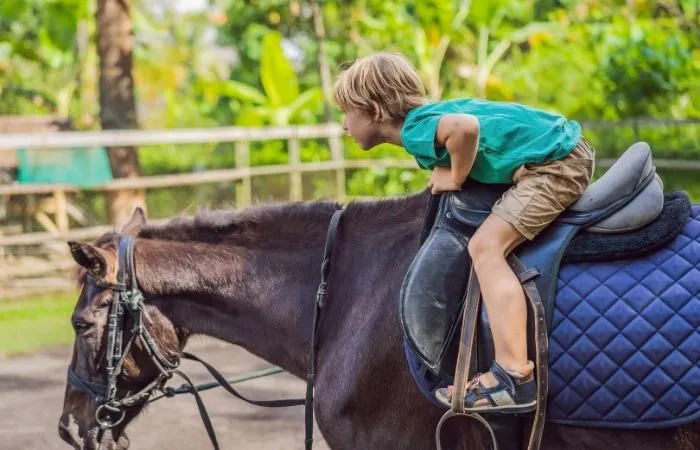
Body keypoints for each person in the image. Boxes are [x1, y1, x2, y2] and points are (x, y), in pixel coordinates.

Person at [332, 52, 594, 413]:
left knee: (486, 249)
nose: (344, 126)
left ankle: (514, 376)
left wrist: (455, 176)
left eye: (347, 113)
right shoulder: (428, 117)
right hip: (559, 149)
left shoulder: (414, 129)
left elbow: (466, 129)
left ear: (374, 111)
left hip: (555, 166)